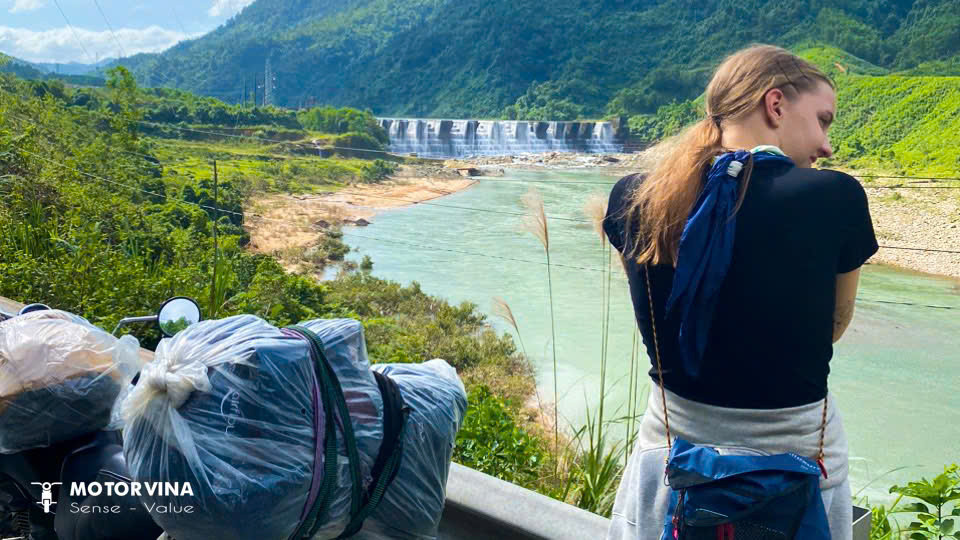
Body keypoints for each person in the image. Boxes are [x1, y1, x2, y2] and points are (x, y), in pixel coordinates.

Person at [603, 44, 878, 540]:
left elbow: (664, 325)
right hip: (798, 473)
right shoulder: (835, 199)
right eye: (823, 120)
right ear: (775, 105)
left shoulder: (636, 198)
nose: (827, 145)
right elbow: (833, 326)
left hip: (671, 471)